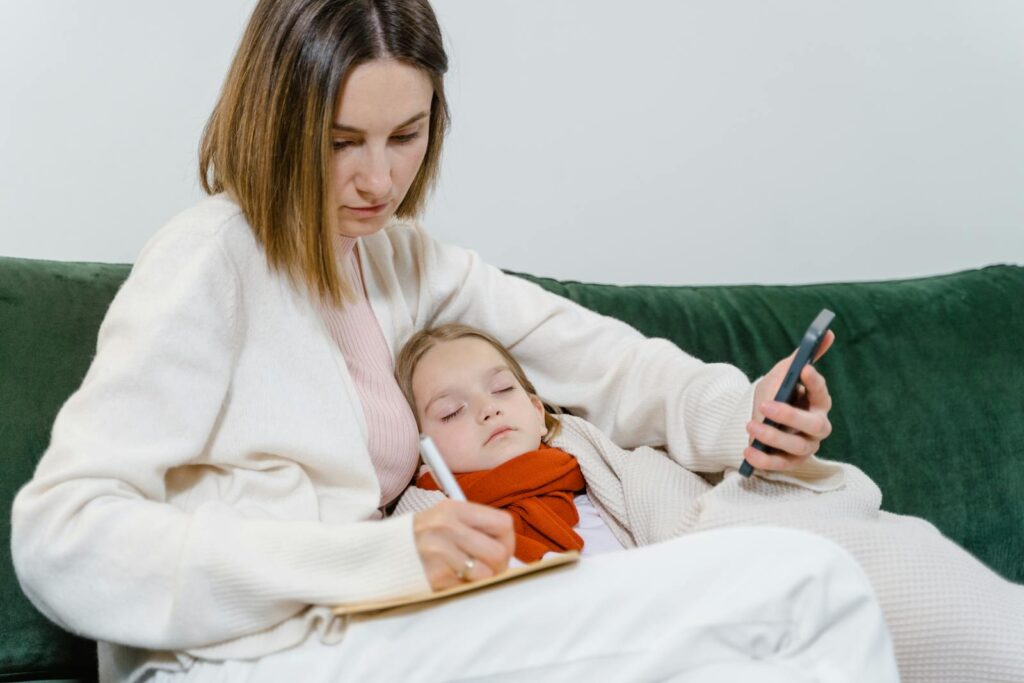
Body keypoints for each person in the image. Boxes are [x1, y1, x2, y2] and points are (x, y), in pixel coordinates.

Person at [9, 1, 903, 681]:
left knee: (775, 608)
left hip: (369, 632)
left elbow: (592, 355)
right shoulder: (210, 262)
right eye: (340, 142)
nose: (380, 178)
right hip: (249, 657)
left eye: (408, 135)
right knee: (802, 586)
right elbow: (63, 533)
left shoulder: (397, 260)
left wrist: (733, 406)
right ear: (275, 125)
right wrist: (384, 555)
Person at [397, 322, 626, 563]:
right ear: (423, 452)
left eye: (502, 388)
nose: (489, 408)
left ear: (537, 411)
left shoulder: (612, 484)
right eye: (451, 411)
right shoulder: (430, 537)